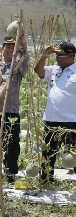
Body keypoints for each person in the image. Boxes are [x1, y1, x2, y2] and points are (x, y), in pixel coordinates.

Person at [34, 41, 76, 184]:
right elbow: (38, 70)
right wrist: (45, 55)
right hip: (51, 118)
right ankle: (46, 180)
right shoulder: (54, 69)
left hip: (71, 120)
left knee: (72, 154)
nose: (57, 58)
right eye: (56, 55)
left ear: (71, 55)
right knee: (48, 152)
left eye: (61, 55)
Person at [0, 36, 29, 184]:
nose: (9, 49)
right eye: (7, 46)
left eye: (12, 47)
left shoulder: (19, 64)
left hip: (12, 111)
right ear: (2, 49)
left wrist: (21, 44)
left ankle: (11, 173)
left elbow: (25, 54)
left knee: (12, 143)